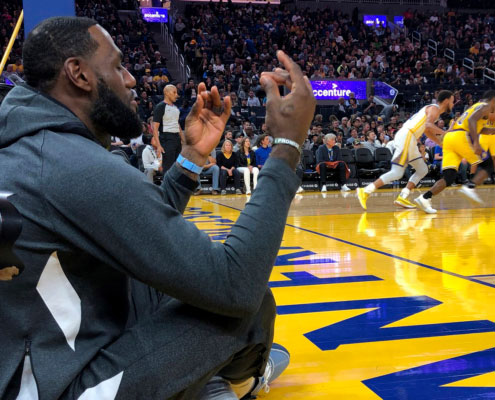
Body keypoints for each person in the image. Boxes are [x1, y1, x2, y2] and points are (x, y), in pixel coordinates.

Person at [0, 17, 316, 400]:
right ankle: (230, 380)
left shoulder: (31, 146)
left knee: (156, 281)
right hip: (58, 388)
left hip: (39, 356)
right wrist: (287, 146)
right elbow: (236, 285)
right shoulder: (72, 165)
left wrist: (190, 158)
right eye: (118, 66)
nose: (131, 79)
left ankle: (200, 379)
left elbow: (139, 230)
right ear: (78, 75)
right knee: (242, 310)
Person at [357, 90, 454, 210]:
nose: (453, 104)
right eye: (452, 101)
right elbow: (429, 125)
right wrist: (445, 132)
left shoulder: (434, 112)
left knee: (422, 169)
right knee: (397, 172)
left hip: (411, 138)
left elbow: (427, 131)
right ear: (446, 101)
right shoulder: (434, 108)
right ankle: (366, 190)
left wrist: (441, 143)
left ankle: (403, 196)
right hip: (407, 135)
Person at [415, 91, 495, 213]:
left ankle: (425, 198)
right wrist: (476, 143)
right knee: (488, 165)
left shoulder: (477, 107)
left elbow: (480, 127)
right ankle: (470, 187)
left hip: (450, 138)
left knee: (449, 176)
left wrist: (491, 130)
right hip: (462, 136)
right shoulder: (486, 106)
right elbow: (472, 121)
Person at [153, 84, 184, 173]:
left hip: (177, 139)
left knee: (178, 167)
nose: (176, 95)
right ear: (166, 93)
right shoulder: (160, 106)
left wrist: (183, 140)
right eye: (174, 92)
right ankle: (165, 187)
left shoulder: (175, 108)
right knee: (168, 167)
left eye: (176, 92)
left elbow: (178, 125)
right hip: (167, 138)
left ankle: (176, 186)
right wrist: (158, 145)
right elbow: (155, 128)